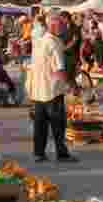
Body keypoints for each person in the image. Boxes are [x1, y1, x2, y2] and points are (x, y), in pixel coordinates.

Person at [29, 14, 78, 163]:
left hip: (38, 90)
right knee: (57, 123)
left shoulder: (41, 41)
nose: (64, 29)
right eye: (63, 26)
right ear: (55, 26)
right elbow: (59, 69)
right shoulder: (54, 43)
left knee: (40, 124)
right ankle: (61, 153)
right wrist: (70, 86)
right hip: (52, 89)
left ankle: (39, 153)